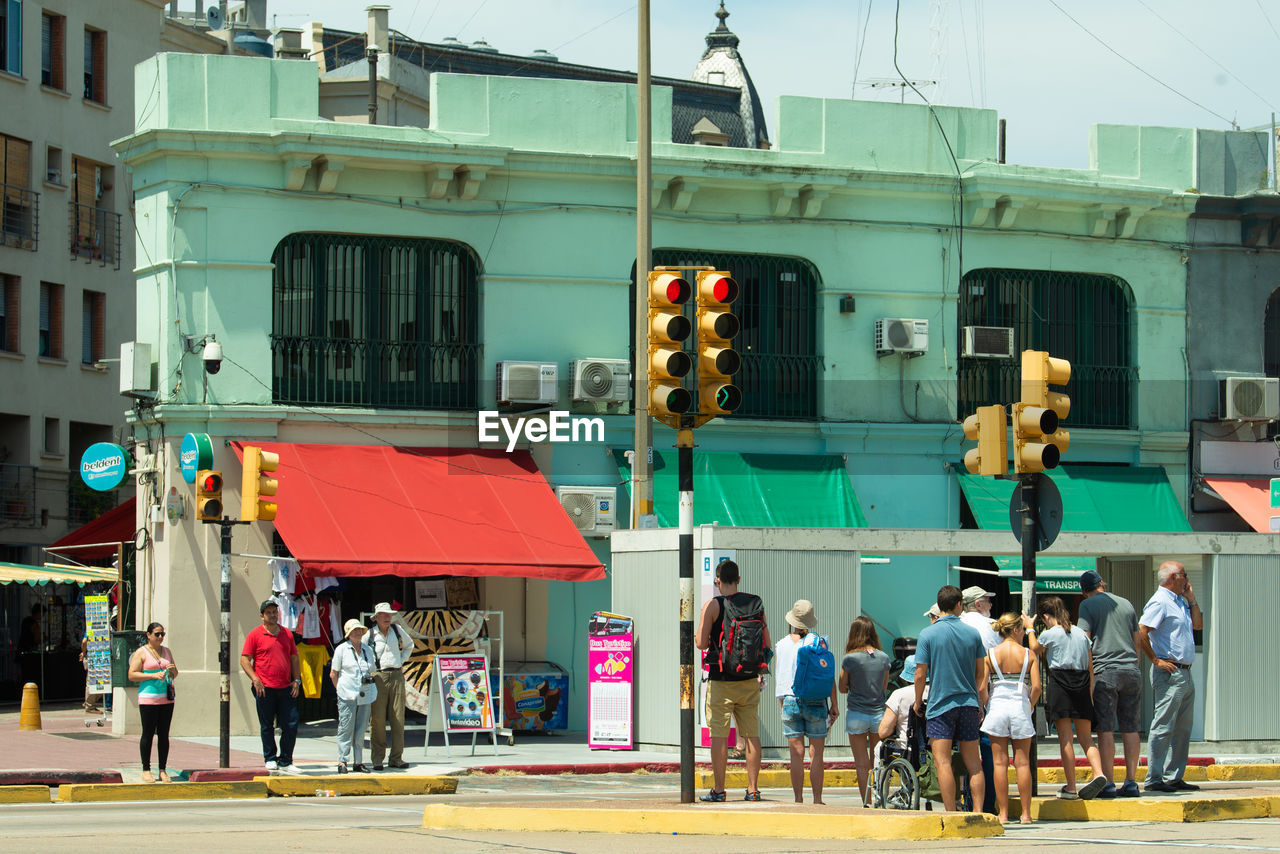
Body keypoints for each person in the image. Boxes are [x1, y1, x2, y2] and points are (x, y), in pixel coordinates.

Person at [695, 560, 771, 802]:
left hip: (721, 680)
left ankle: (719, 789)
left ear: (717, 581)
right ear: (738, 579)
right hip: (749, 679)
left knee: (719, 735)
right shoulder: (755, 604)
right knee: (751, 734)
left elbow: (701, 643)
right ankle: (752, 789)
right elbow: (766, 644)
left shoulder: (713, 605)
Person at [913, 585, 987, 812]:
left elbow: (920, 674)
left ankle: (951, 812)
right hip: (968, 704)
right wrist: (979, 700)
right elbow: (981, 672)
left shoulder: (928, 634)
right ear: (958, 605)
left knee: (942, 761)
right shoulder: (972, 633)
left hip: (940, 705)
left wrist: (918, 701)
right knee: (974, 764)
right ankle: (977, 812)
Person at [1027, 596, 1108, 800]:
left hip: (1060, 682)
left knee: (1065, 739)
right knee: (1087, 738)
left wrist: (1029, 629)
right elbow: (1090, 666)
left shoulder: (1050, 633)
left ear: (1046, 616)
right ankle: (1099, 773)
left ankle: (1071, 787)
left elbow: (1034, 650)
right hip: (1081, 682)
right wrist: (1089, 694)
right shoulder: (1081, 633)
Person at [1077, 569, 1143, 798]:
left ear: (1084, 591)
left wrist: (1088, 678)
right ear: (1102, 584)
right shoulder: (1126, 603)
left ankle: (1109, 783)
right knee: (1131, 727)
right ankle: (1132, 781)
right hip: (1131, 670)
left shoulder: (1086, 606)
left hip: (1105, 671)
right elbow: (1137, 639)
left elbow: (1084, 641)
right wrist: (1134, 665)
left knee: (1105, 728)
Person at [1138, 560, 1202, 794]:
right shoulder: (1160, 601)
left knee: (1183, 728)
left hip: (1185, 672)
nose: (1187, 579)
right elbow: (1142, 630)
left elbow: (1198, 625)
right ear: (1174, 577)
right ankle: (1154, 777)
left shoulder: (1180, 602)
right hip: (1170, 672)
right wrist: (1155, 660)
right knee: (1163, 725)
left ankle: (1173, 776)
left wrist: (1192, 600)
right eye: (1184, 575)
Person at [774, 600, 839, 804]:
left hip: (789, 702)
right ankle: (817, 799)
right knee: (816, 754)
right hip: (815, 701)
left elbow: (780, 678)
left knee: (796, 754)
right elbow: (828, 675)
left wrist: (783, 707)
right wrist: (834, 704)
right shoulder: (817, 641)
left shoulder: (781, 644)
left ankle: (798, 798)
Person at [980, 613, 1040, 824]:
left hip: (997, 707)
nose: (1024, 633)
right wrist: (1029, 706)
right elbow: (1037, 687)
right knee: (1022, 763)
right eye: (1023, 629)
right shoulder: (1029, 654)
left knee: (999, 763)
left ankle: (1003, 813)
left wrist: (987, 705)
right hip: (1020, 708)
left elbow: (982, 687)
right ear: (1015, 630)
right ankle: (1026, 814)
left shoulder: (990, 654)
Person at [240, 600, 303, 775]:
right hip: (264, 687)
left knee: (291, 723)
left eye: (275, 612)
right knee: (267, 725)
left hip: (285, 687)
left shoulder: (286, 634)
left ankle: (286, 760)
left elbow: (294, 658)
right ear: (262, 616)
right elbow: (245, 660)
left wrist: (296, 680)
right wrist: (255, 679)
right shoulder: (255, 635)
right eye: (269, 612)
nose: (273, 615)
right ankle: (270, 758)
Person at [840, 615, 891, 805]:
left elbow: (842, 687)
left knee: (862, 763)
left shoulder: (850, 659)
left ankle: (867, 801)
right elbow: (884, 688)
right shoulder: (884, 658)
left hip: (856, 714)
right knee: (877, 761)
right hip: (878, 714)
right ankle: (880, 798)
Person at [127, 623, 178, 783]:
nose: (160, 637)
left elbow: (175, 673)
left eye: (163, 634)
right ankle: (146, 769)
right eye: (157, 634)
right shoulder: (141, 652)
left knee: (164, 735)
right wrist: (152, 675)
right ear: (148, 635)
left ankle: (162, 769)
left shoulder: (167, 651)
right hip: (148, 698)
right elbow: (132, 675)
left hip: (166, 698)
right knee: (148, 733)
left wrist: (172, 671)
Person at [368, 602, 415, 771]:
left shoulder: (397, 630)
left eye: (389, 614)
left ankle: (396, 757)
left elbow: (409, 645)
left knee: (398, 717)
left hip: (396, 675)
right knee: (378, 719)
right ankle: (378, 758)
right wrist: (371, 668)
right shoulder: (370, 634)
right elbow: (364, 652)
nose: (387, 617)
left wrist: (400, 661)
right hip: (379, 676)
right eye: (384, 614)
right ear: (377, 617)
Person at [331, 619, 378, 774]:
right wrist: (340, 690)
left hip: (365, 693)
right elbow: (334, 674)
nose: (357, 633)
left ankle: (358, 762)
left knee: (361, 729)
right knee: (346, 728)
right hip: (347, 694)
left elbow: (371, 669)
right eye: (354, 631)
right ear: (348, 634)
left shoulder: (367, 650)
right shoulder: (341, 649)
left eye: (359, 630)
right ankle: (342, 760)